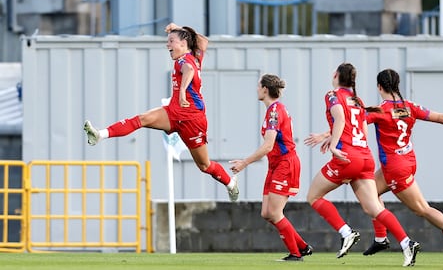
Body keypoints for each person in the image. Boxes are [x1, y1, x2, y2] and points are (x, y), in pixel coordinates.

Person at [306, 68, 443, 262]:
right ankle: (380, 238)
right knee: (372, 196)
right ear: (397, 85)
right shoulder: (410, 107)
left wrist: (325, 135)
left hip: (395, 169)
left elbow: (350, 122)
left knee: (421, 208)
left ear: (379, 87)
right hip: (407, 161)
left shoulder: (380, 111)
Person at [83, 23, 239, 202]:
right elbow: (203, 40)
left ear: (183, 43)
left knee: (204, 165)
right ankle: (99, 135)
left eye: (171, 41)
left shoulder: (185, 61)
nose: (168, 45)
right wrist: (179, 28)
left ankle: (230, 183)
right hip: (173, 113)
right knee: (142, 119)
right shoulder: (196, 56)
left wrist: (182, 91)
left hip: (193, 120)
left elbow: (188, 71)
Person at [305, 63, 420, 267]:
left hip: (347, 157)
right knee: (373, 207)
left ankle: (346, 232)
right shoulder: (358, 100)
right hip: (365, 158)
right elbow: (361, 130)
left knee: (313, 196)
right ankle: (406, 243)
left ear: (336, 75)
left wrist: (332, 145)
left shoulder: (332, 94)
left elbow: (340, 119)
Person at [229, 74, 313, 262]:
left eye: (259, 86)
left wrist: (244, 163)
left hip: (285, 163)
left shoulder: (274, 112)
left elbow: (268, 145)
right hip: (276, 164)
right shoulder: (274, 110)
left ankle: (295, 254)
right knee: (267, 213)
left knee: (275, 213)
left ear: (265, 89)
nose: (257, 89)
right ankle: (303, 247)